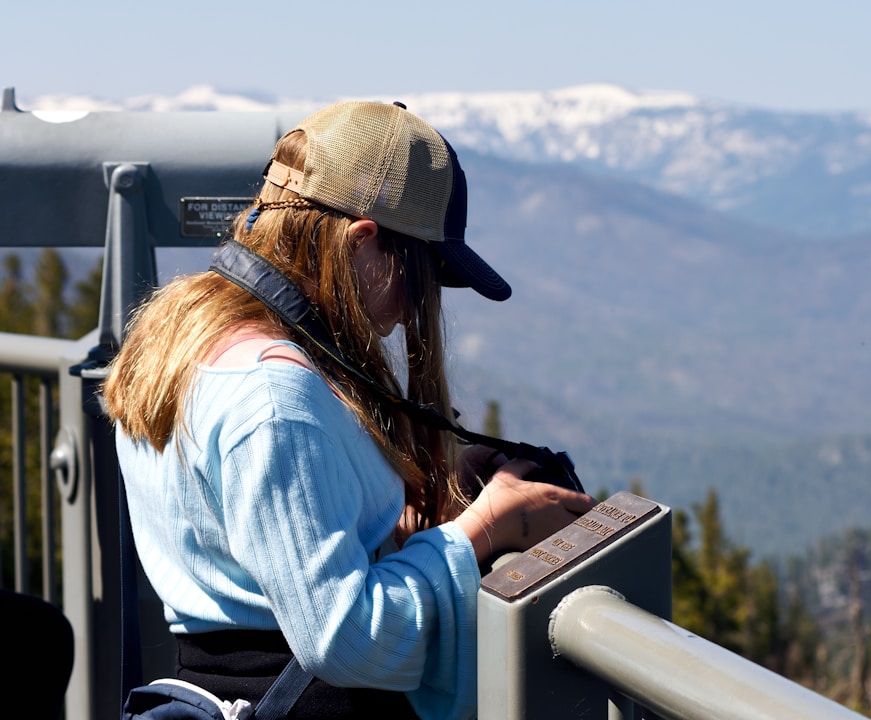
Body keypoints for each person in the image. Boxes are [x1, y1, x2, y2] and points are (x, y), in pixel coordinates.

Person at [103, 100, 595, 719]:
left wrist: (419, 480)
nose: (415, 308)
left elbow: (268, 535)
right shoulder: (275, 398)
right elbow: (346, 638)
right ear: (363, 244)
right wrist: (491, 526)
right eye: (422, 274)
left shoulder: (188, 336)